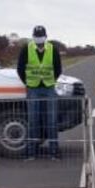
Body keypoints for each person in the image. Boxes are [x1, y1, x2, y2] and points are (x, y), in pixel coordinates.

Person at [17, 25, 63, 160]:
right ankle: (31, 152)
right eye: (36, 37)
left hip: (49, 88)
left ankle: (54, 152)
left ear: (46, 37)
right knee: (33, 120)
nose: (39, 39)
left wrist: (51, 80)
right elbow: (20, 68)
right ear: (33, 37)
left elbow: (58, 68)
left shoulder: (52, 49)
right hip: (33, 88)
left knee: (51, 121)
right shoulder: (27, 49)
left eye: (41, 36)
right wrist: (28, 82)